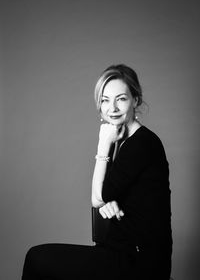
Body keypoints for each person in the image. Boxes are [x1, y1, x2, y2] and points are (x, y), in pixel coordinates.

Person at [21, 64, 172, 280]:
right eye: (105, 100)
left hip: (139, 262)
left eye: (121, 98)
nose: (112, 108)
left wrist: (102, 146)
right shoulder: (120, 141)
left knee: (37, 258)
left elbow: (98, 196)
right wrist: (106, 200)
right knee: (39, 259)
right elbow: (98, 200)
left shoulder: (142, 143)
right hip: (117, 250)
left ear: (136, 100)